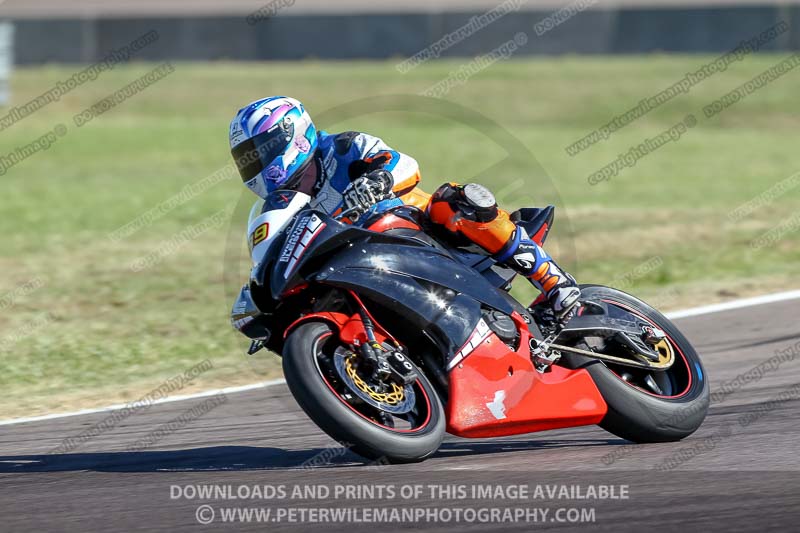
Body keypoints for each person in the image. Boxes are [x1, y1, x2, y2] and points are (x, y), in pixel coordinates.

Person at [230, 96, 581, 322]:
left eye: (263, 149)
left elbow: (404, 165)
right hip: (366, 265)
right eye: (248, 158)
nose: (257, 162)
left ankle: (554, 281)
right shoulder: (277, 206)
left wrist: (378, 180)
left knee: (454, 201)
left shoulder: (344, 147)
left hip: (423, 234)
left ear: (293, 135)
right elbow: (274, 252)